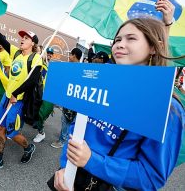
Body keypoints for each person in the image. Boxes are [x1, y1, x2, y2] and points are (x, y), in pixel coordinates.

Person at [54, 18, 185, 190]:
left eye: (131, 38)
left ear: (154, 47)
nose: (120, 45)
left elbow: (151, 177)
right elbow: (76, 130)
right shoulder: (100, 84)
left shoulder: (167, 108)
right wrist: (66, 167)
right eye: (117, 40)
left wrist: (91, 160)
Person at [0, 7, 42, 168]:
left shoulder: (36, 59)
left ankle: (29, 147)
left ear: (33, 43)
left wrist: (16, 93)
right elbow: (0, 37)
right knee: (0, 127)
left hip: (18, 101)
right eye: (22, 37)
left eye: (26, 38)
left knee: (12, 133)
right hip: (7, 97)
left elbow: (33, 81)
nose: (22, 39)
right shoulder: (15, 53)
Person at [50, 47, 83, 149]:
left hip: (72, 102)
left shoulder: (77, 69)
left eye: (70, 55)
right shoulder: (76, 67)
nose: (69, 57)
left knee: (66, 120)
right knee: (66, 120)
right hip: (70, 100)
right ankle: (64, 138)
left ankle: (62, 141)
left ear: (74, 55)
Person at [33, 47, 55, 143]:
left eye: (51, 53)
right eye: (48, 52)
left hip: (47, 94)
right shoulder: (39, 61)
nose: (49, 54)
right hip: (37, 92)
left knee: (41, 115)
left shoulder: (53, 66)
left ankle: (41, 133)